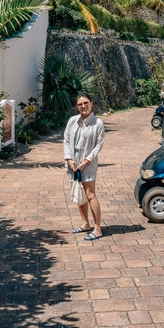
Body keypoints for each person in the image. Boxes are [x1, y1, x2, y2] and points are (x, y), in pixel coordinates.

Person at [63, 93, 105, 240]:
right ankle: (85, 224)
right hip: (73, 164)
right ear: (77, 106)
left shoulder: (98, 123)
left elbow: (98, 145)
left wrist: (87, 161)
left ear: (91, 103)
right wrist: (68, 159)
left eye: (85, 103)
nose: (83, 106)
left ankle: (98, 228)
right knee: (79, 194)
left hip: (88, 164)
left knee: (90, 195)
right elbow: (66, 141)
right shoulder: (72, 121)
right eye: (80, 104)